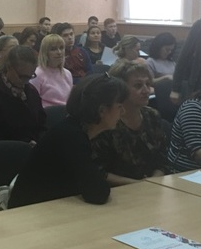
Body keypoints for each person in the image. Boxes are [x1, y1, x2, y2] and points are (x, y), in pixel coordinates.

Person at [8, 73, 128, 209]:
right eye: (120, 106)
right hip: (28, 213)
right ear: (102, 110)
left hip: (49, 207)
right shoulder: (72, 137)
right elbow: (98, 193)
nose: (123, 112)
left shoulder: (74, 128)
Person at [91, 60, 169, 182]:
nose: (146, 90)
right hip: (117, 189)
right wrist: (138, 184)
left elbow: (162, 160)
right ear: (120, 89)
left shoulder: (152, 115)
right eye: (138, 85)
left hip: (152, 185)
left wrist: (153, 181)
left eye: (148, 84)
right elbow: (97, 171)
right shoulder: (105, 120)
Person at [0, 45, 46, 143]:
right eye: (22, 76)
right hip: (6, 149)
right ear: (9, 67)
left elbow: (42, 125)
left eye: (30, 76)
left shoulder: (31, 92)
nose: (25, 81)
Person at [32, 34, 72, 108]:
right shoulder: (37, 74)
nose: (59, 52)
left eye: (61, 48)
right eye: (53, 49)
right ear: (45, 52)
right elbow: (33, 102)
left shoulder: (67, 73)